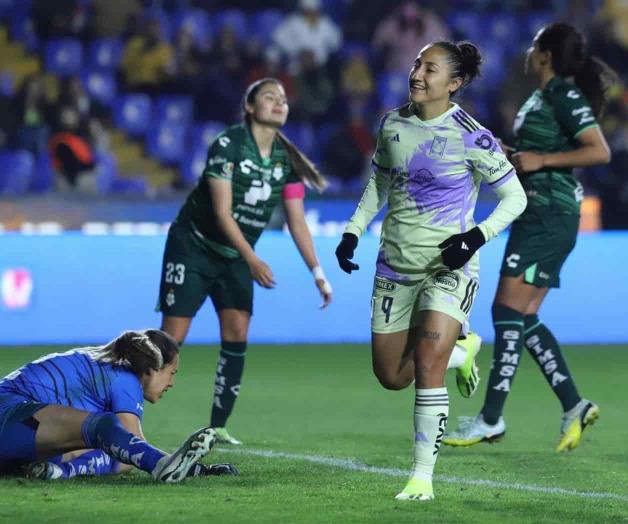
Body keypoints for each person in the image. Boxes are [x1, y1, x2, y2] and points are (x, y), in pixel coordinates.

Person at [334, 41, 527, 501]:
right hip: (395, 266)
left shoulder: (472, 135)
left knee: (425, 364)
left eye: (430, 67)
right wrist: (352, 231)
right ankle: (463, 351)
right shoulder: (393, 123)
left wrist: (473, 239)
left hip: (449, 265)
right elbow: (379, 184)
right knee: (391, 376)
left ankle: (422, 477)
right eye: (417, 63)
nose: (417, 73)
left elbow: (514, 197)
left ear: (454, 83)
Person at [444, 23, 615, 453]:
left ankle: (490, 419)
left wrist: (541, 159)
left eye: (533, 44)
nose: (527, 51)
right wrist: (509, 153)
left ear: (544, 54)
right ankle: (574, 405)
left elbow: (598, 150)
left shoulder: (563, 95)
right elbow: (532, 155)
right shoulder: (540, 98)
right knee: (523, 317)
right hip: (536, 211)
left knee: (506, 309)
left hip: (550, 213)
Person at [157, 78, 332, 446]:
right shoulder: (228, 145)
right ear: (250, 107)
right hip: (194, 246)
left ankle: (218, 426)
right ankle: (123, 411)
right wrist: (252, 258)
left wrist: (318, 273)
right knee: (170, 340)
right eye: (270, 97)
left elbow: (297, 222)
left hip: (236, 255)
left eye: (283, 99)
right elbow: (221, 213)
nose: (279, 103)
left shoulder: (286, 162)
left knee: (236, 332)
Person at [0, 329, 223, 481]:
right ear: (152, 368)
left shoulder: (105, 365)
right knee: (108, 431)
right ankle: (162, 466)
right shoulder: (124, 378)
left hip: (20, 428)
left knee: (110, 443)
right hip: (9, 415)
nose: (171, 383)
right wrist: (192, 468)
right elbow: (132, 445)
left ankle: (57, 471)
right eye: (171, 373)